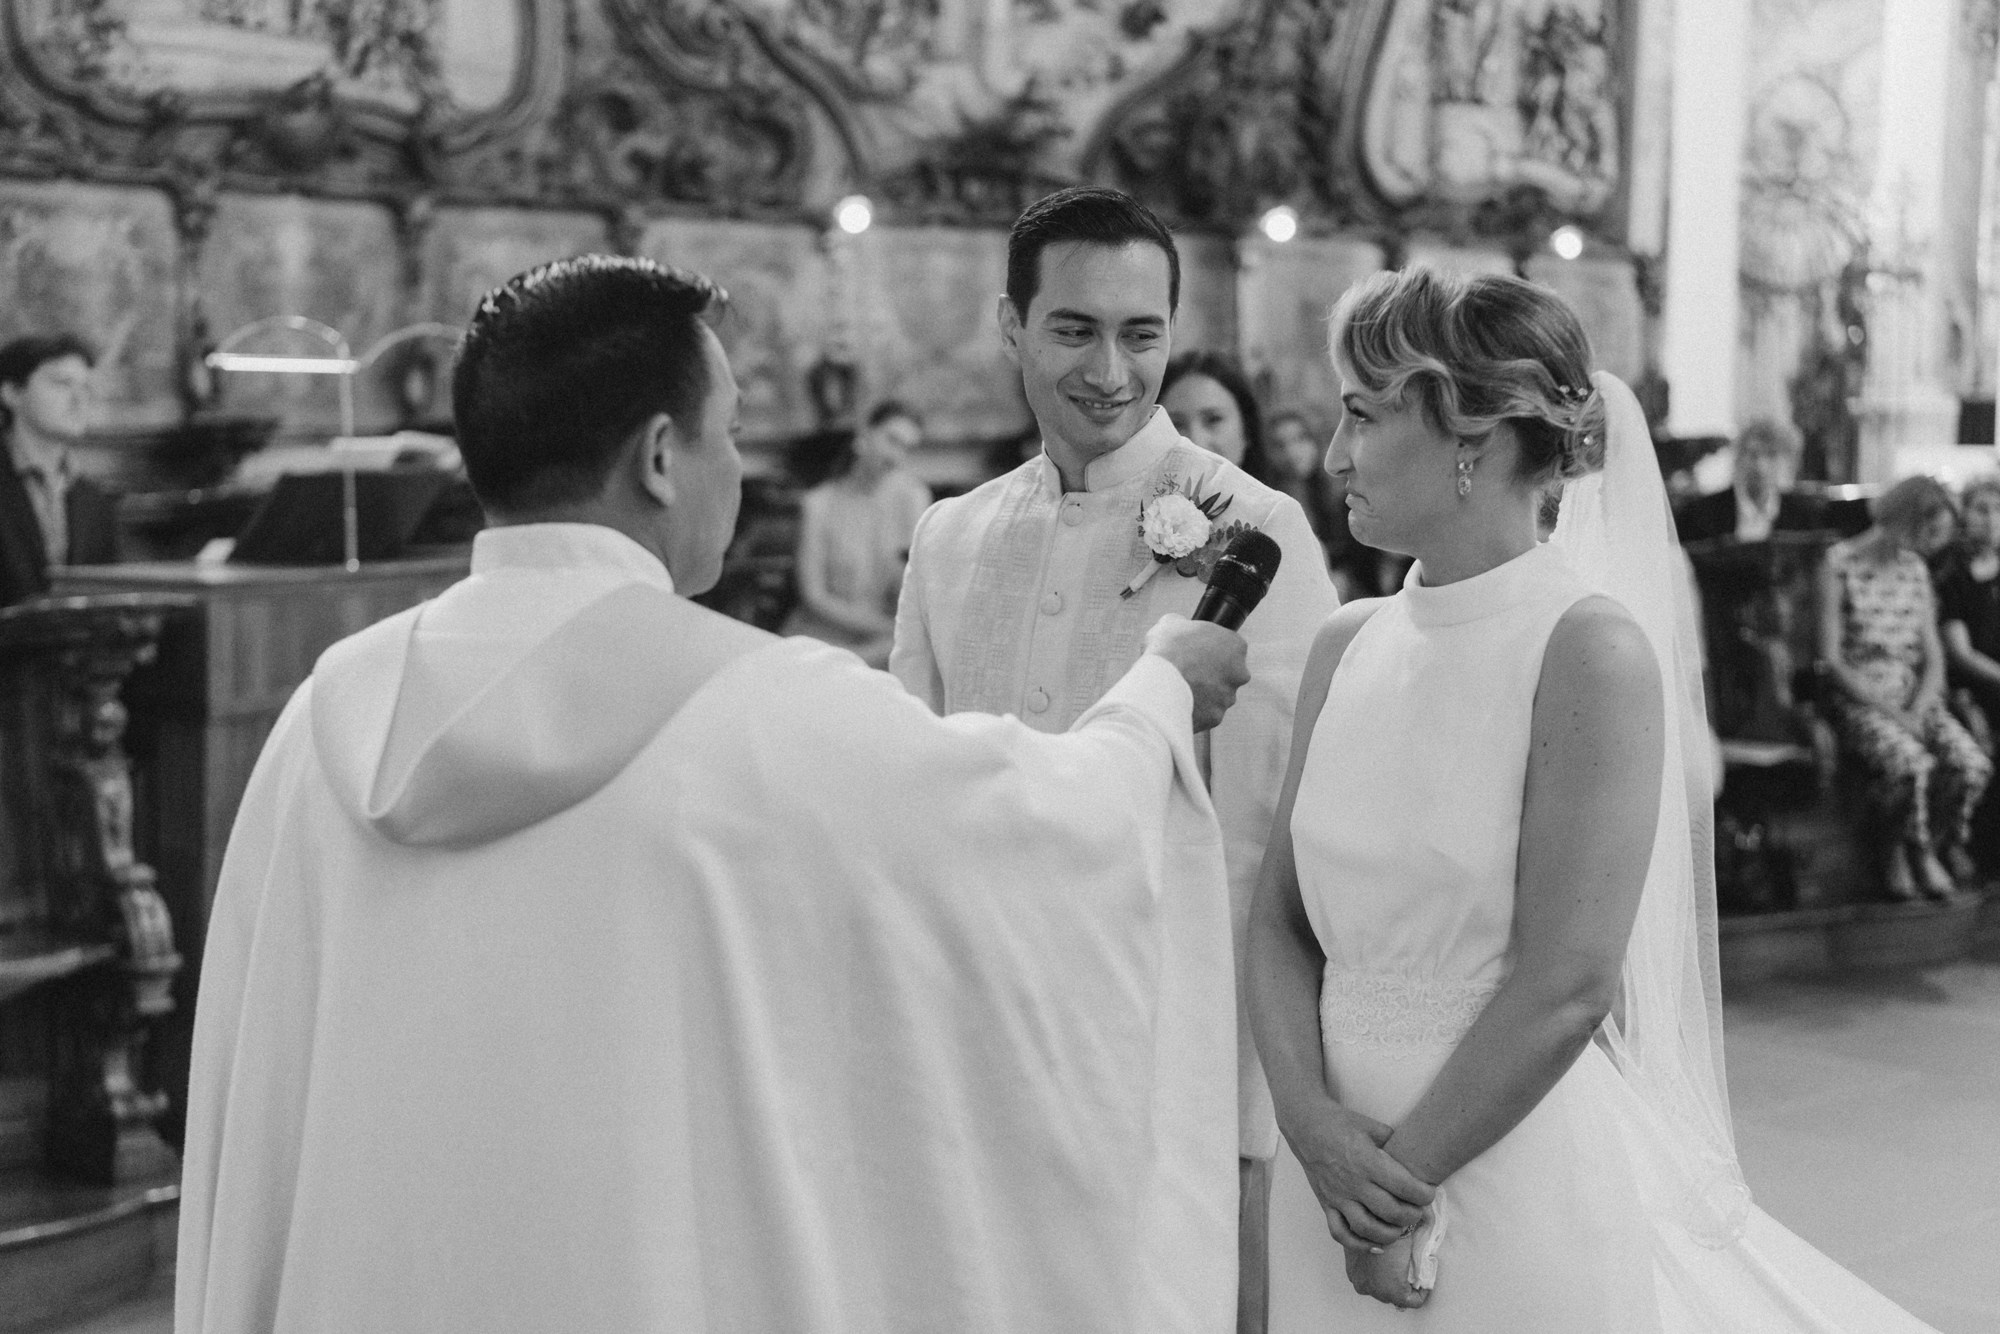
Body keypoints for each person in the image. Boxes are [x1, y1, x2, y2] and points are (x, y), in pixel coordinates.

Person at [175, 254, 1257, 1334]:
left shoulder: (326, 718)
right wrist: (1159, 693)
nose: (735, 469)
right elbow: (1049, 832)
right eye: (729, 434)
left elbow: (249, 1111)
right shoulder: (764, 712)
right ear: (658, 457)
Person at [1250, 264, 1939, 1331]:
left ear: (1467, 437)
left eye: (1361, 414)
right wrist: (1310, 1128)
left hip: (1485, 1171)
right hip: (1331, 1169)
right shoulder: (1346, 644)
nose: (1334, 453)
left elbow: (1568, 981)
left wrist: (1395, 1192)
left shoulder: (1587, 650)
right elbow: (1279, 920)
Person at [892, 186, 1340, 1333]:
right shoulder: (950, 535)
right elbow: (911, 805)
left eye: (1140, 334)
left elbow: (1286, 824)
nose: (1109, 370)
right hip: (987, 1021)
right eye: (1073, 330)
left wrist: (1258, 1089)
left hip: (1174, 1022)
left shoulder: (1256, 526)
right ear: (1010, 327)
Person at [1817, 475, 1990, 899]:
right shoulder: (1838, 564)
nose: (1935, 546)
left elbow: (1933, 656)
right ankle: (1898, 848)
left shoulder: (1915, 571)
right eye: (1932, 534)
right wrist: (1892, 713)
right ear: (1908, 520)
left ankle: (1929, 843)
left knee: (1972, 764)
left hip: (1914, 695)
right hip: (1860, 696)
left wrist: (1921, 704)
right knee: (1912, 764)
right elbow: (1831, 659)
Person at [781, 401, 933, 667]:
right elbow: (814, 596)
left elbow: (917, 585)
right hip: (823, 635)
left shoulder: (913, 498)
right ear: (864, 435)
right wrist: (887, 629)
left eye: (907, 448)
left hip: (884, 642)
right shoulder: (818, 504)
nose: (895, 457)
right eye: (892, 440)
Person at [0, 334, 119, 607]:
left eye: (86, 387)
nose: (79, 399)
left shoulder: (94, 498)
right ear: (11, 393)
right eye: (62, 384)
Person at [1673, 417, 1819, 545]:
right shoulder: (1699, 515)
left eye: (1771, 455)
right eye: (1753, 454)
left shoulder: (1803, 517)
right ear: (1738, 457)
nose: (1760, 465)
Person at [1162, 350, 1275, 483]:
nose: (1195, 441)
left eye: (1213, 419)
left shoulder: (1282, 503)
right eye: (1176, 424)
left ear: (1247, 429)